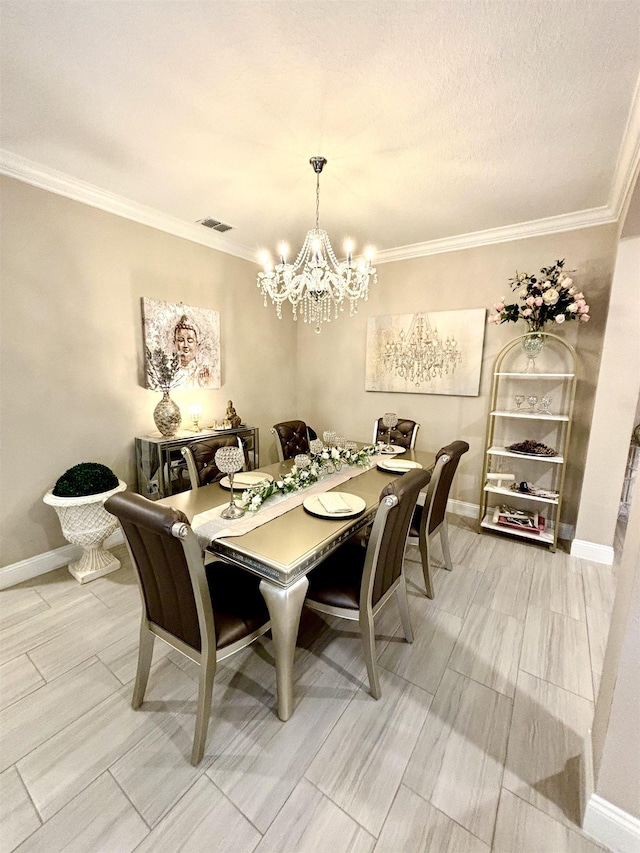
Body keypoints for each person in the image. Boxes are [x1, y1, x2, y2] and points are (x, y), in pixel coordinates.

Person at [173, 315, 210, 388]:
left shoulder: (202, 374)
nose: (186, 345)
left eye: (190, 340)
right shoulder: (170, 373)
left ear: (197, 344)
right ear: (175, 343)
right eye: (181, 340)